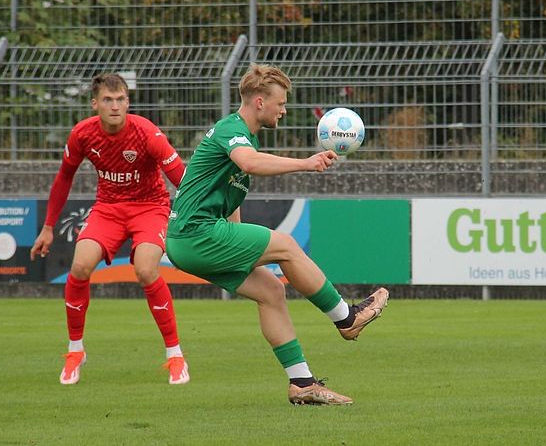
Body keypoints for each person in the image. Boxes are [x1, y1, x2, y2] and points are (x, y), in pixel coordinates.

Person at [165, 63, 389, 405]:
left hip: (193, 239)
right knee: (286, 245)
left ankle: (302, 383)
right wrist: (306, 163)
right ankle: (347, 318)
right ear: (259, 102)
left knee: (271, 290)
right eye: (280, 103)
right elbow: (250, 163)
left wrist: (239, 243)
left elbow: (230, 199)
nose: (283, 110)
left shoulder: (245, 137)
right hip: (195, 234)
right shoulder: (232, 130)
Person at [31, 73, 190, 386]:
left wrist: (200, 215)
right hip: (108, 208)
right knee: (79, 265)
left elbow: (181, 178)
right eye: (108, 100)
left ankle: (175, 356)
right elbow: (64, 178)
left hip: (150, 207)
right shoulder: (83, 134)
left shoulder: (146, 132)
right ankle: (75, 351)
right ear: (95, 104)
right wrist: (48, 227)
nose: (115, 106)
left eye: (120, 100)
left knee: (146, 270)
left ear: (128, 102)